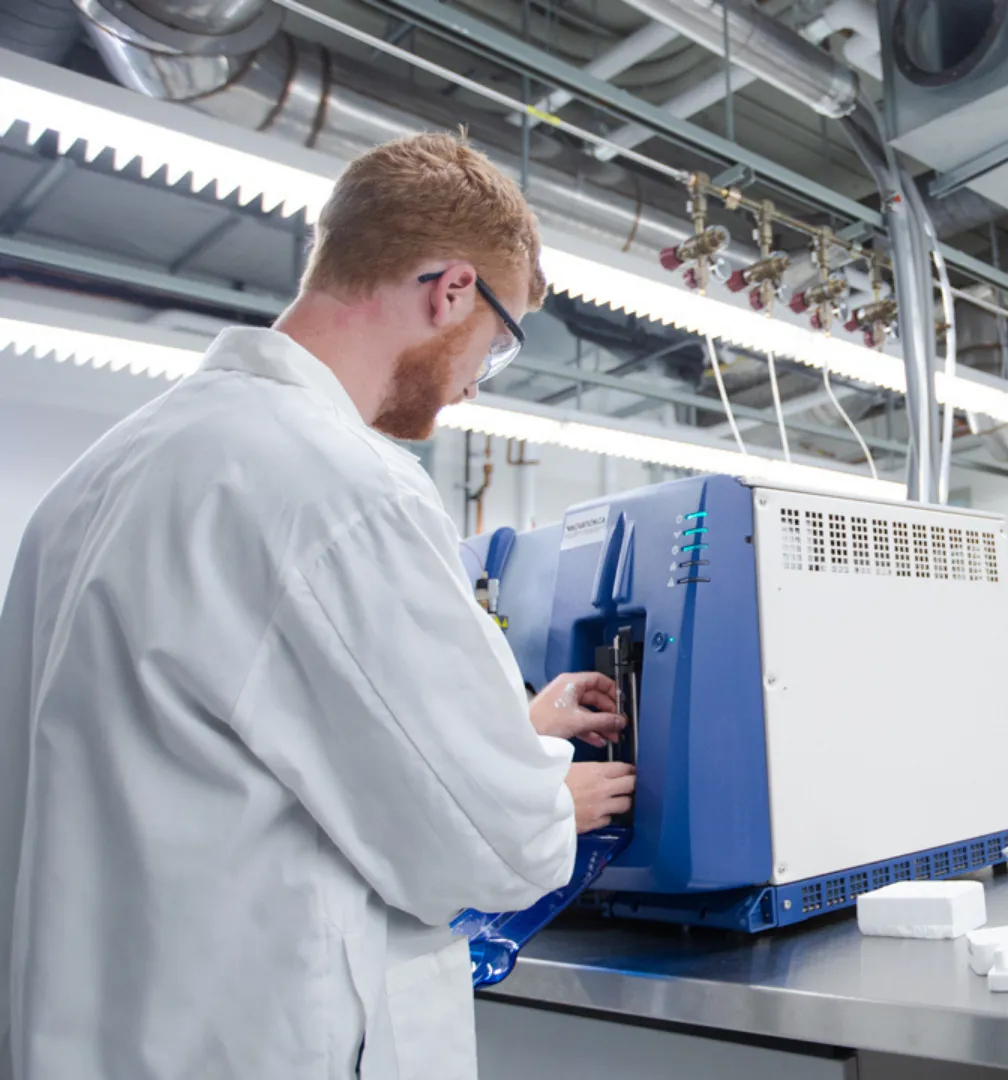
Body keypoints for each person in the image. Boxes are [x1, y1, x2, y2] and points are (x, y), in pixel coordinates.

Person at [0, 132, 636, 1080]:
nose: (471, 386)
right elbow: (480, 847)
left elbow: (232, 733)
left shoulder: (105, 475)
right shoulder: (343, 483)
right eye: (494, 352)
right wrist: (547, 798)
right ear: (452, 290)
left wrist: (513, 731)